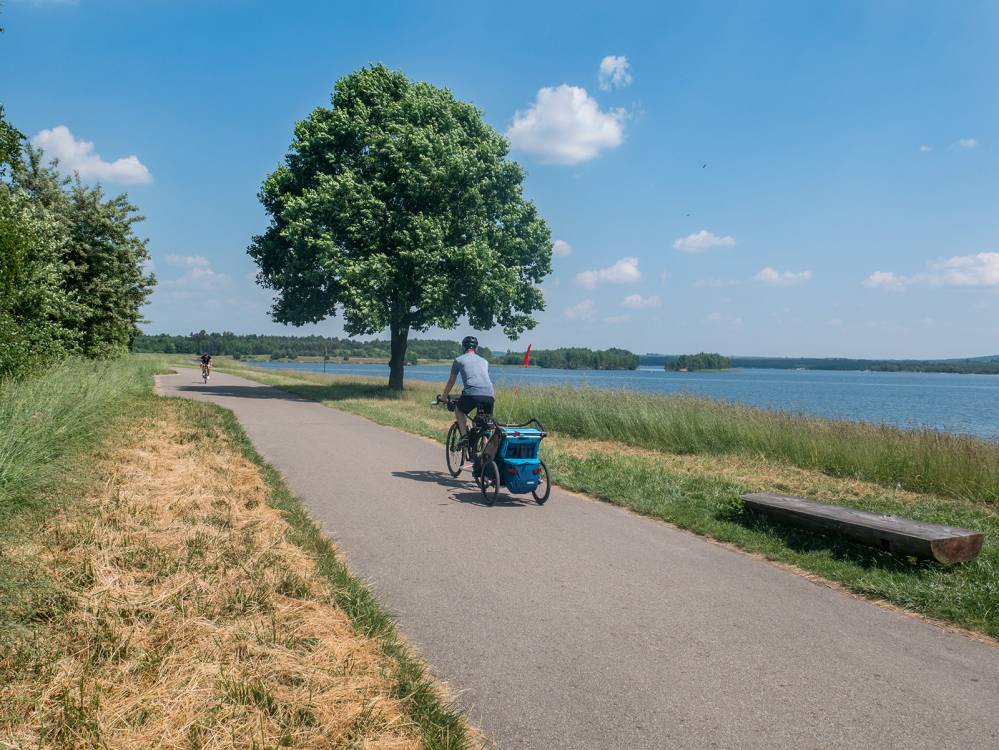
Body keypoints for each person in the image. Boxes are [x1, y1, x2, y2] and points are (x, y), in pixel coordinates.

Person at [442, 336, 494, 445]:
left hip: (471, 394)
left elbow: (451, 381)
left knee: (459, 410)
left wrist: (444, 397)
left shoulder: (458, 360)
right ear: (476, 348)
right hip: (489, 395)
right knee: (484, 425)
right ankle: (486, 452)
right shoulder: (485, 361)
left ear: (463, 347)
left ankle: (464, 437)